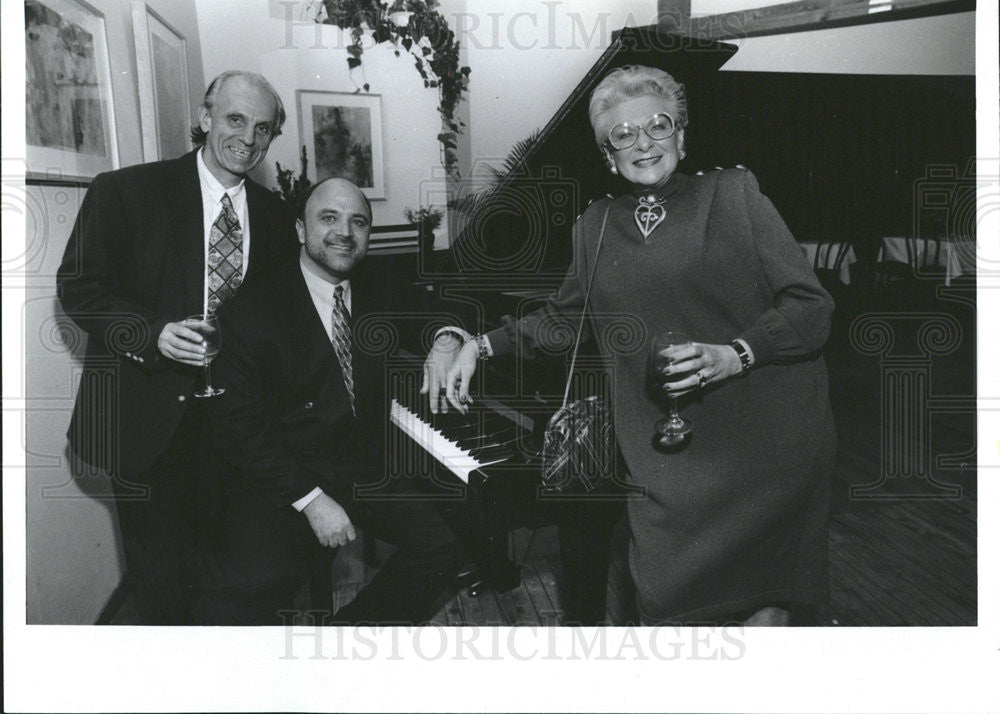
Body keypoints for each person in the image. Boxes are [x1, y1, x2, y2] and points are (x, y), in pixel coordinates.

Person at [424, 65, 837, 626]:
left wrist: (731, 354)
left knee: (762, 617)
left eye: (658, 125)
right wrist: (478, 344)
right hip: (666, 461)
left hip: (762, 449)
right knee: (665, 607)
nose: (642, 142)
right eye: (622, 133)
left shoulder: (734, 194)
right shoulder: (593, 226)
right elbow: (564, 321)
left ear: (681, 136)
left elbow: (812, 309)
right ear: (607, 154)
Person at [57, 70, 296, 624]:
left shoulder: (277, 216)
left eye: (263, 128)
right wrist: (150, 333)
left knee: (229, 582)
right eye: (235, 119)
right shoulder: (125, 191)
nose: (248, 138)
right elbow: (80, 287)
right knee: (163, 590)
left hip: (235, 433)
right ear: (206, 117)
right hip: (147, 426)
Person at [199, 177, 462, 625]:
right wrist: (311, 500)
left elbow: (439, 311)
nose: (345, 232)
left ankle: (347, 635)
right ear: (301, 229)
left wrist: (446, 339)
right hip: (284, 476)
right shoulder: (252, 307)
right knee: (248, 597)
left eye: (358, 222)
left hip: (360, 466)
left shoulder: (378, 283)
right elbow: (236, 426)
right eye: (329, 218)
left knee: (442, 548)